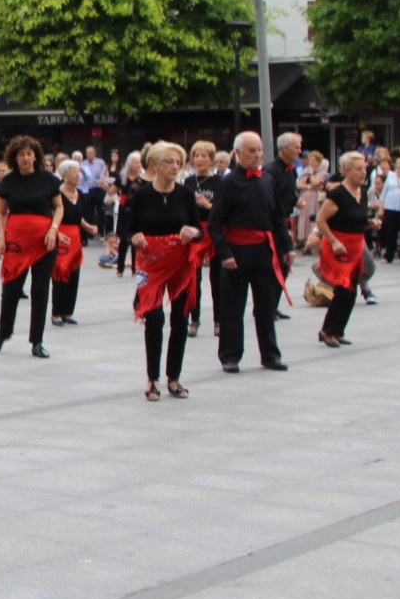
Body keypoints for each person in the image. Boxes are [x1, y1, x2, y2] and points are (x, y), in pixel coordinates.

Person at [120, 142, 211, 399]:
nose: (175, 167)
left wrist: (193, 231)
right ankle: (153, 379)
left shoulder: (185, 194)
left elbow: (198, 228)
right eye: (169, 162)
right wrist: (134, 237)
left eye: (178, 162)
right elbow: (129, 228)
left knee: (180, 318)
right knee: (155, 318)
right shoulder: (142, 195)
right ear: (156, 165)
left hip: (180, 262)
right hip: (150, 263)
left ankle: (174, 377)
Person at [211, 132, 293, 373]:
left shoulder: (267, 179)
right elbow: (215, 223)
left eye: (259, 150)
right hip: (236, 251)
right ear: (237, 153)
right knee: (233, 306)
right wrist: (225, 253)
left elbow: (277, 217)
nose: (258, 155)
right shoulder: (227, 183)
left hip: (264, 251)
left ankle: (270, 355)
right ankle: (230, 355)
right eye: (252, 150)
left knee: (266, 305)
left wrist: (287, 246)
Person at [0, 135, 62, 359]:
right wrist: (1, 239)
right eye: (21, 154)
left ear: (35, 156)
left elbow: (59, 208)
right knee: (10, 290)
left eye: (29, 154)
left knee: (40, 290)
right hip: (17, 241)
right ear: (15, 157)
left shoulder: (48, 179)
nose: (26, 158)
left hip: (44, 242)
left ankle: (37, 341)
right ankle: (3, 333)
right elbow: (0, 212)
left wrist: (54, 229)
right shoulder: (8, 181)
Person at [314, 151, 378, 348]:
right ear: (346, 171)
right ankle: (327, 331)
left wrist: (370, 223)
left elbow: (355, 220)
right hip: (339, 247)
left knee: (351, 290)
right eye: (359, 169)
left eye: (365, 168)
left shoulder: (362, 192)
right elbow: (321, 220)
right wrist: (333, 241)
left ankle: (338, 330)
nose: (363, 172)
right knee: (343, 290)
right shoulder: (338, 194)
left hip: (355, 246)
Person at [50, 159, 99, 327]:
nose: (79, 175)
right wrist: (56, 232)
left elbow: (78, 217)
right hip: (61, 236)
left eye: (79, 172)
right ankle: (56, 313)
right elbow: (50, 217)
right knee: (60, 274)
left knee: (73, 275)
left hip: (75, 238)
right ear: (64, 175)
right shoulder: (57, 194)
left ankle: (67, 312)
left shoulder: (80, 194)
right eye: (75, 172)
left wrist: (87, 225)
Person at [181, 141, 221, 337]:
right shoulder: (189, 182)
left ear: (211, 160)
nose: (199, 159)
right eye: (196, 156)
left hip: (214, 230)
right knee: (193, 278)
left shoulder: (220, 182)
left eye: (204, 156)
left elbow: (224, 210)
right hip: (195, 232)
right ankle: (194, 319)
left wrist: (208, 205)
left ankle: (219, 320)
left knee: (217, 278)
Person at [263, 133, 301, 320]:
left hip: (286, 220)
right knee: (275, 265)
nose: (299, 151)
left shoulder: (291, 171)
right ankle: (266, 307)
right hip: (273, 224)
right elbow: (270, 200)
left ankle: (274, 306)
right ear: (285, 148)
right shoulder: (271, 171)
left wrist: (296, 200)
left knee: (285, 264)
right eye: (297, 147)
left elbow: (290, 193)